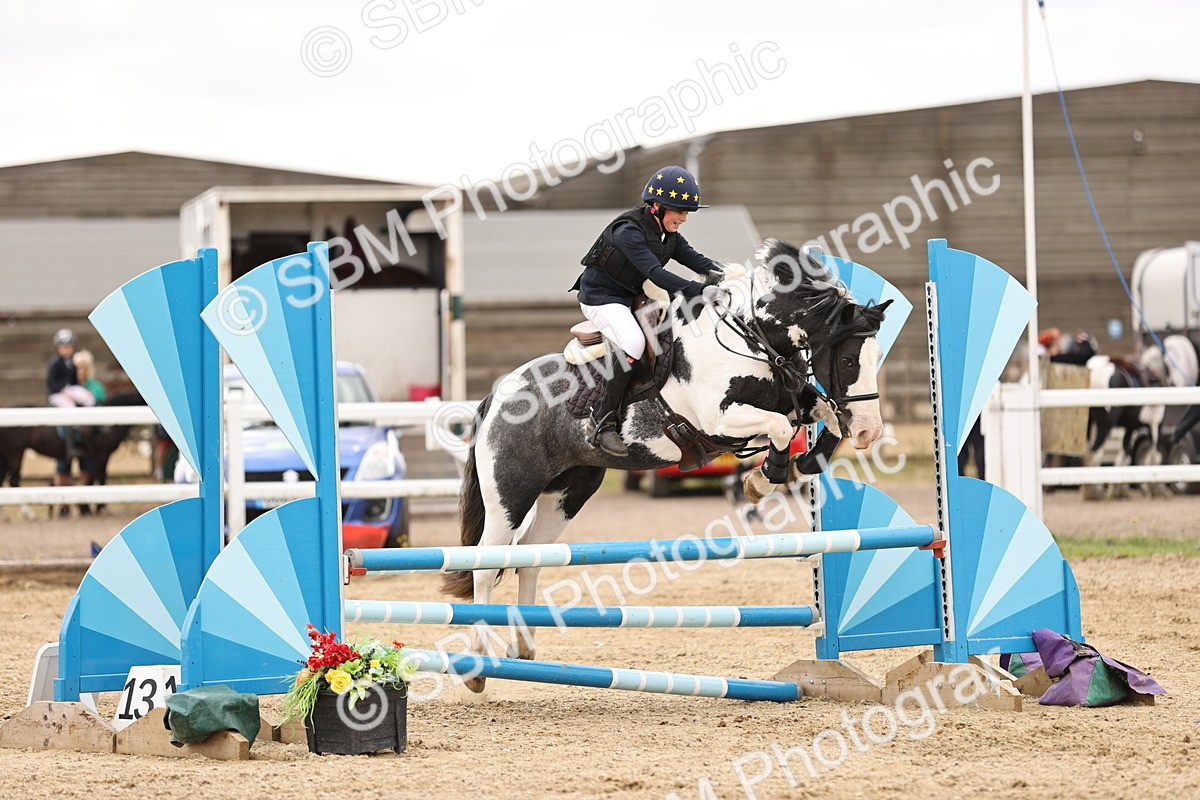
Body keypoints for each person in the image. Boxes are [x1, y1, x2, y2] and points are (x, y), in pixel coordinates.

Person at [571, 165, 723, 457]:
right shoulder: (628, 232)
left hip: (631, 296)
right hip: (601, 298)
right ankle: (602, 422)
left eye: (686, 212)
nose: (683, 218)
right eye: (679, 211)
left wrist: (732, 275)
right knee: (633, 342)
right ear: (656, 207)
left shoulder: (668, 235)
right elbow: (655, 273)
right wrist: (699, 289)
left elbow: (697, 260)